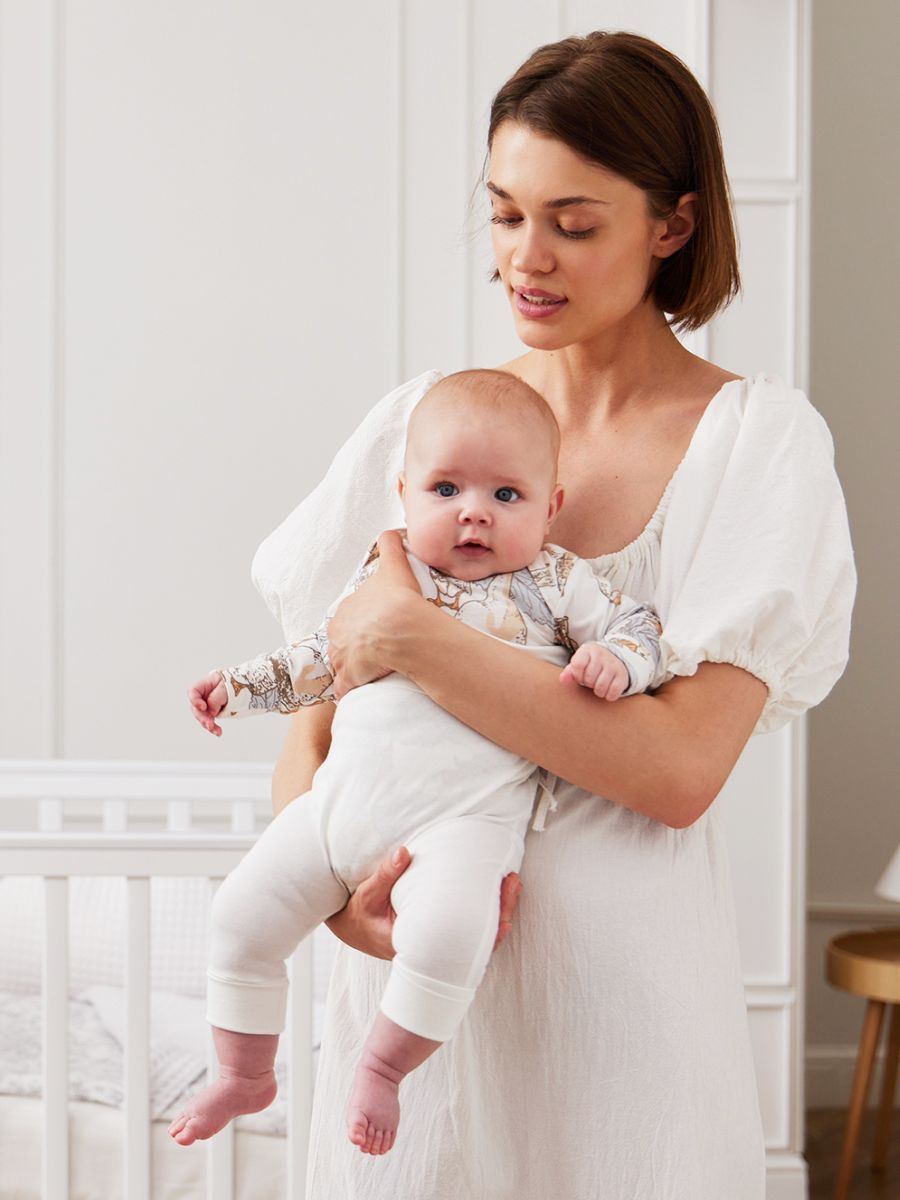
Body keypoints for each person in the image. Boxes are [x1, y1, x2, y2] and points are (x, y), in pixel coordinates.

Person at [252, 30, 855, 1200]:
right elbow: (313, 735)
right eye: (505, 214)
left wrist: (415, 636)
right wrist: (339, 904)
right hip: (414, 1029)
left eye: (573, 224)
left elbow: (677, 769)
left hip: (620, 1028)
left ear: (673, 225)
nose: (526, 258)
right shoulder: (427, 428)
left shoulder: (756, 445)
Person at [169, 370, 664, 1155]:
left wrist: (618, 661)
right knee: (238, 916)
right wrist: (238, 689)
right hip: (339, 808)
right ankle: (244, 1071)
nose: (474, 511)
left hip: (461, 822)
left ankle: (383, 1067)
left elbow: (639, 626)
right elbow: (322, 658)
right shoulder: (386, 571)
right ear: (404, 495)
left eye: (507, 495)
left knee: (447, 934)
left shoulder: (553, 581)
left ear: (551, 507)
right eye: (446, 489)